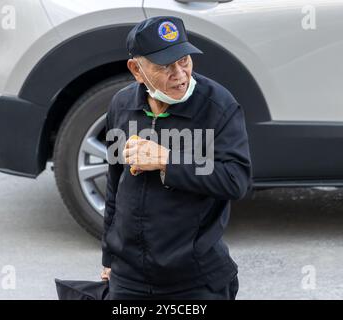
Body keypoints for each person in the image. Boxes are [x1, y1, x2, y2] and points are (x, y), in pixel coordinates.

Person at [100, 16, 252, 300]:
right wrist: (109, 257)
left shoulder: (218, 106)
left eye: (184, 61)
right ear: (136, 69)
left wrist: (168, 160)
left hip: (194, 279)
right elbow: (114, 184)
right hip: (128, 277)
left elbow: (236, 179)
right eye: (164, 67)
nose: (180, 75)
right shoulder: (121, 105)